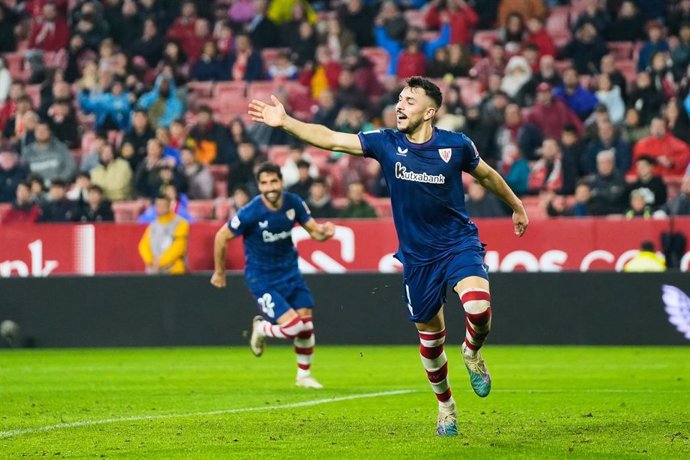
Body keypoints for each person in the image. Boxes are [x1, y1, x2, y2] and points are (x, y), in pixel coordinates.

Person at [248, 76, 529, 437]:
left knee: (478, 309)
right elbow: (332, 138)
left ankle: (472, 352)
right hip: (417, 259)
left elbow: (488, 175)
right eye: (399, 98)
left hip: (458, 243)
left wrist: (517, 205)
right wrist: (286, 122)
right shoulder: (385, 143)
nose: (399, 105)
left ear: (430, 112)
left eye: (409, 101)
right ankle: (446, 406)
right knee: (431, 341)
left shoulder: (456, 145)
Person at [210, 162, 335, 390]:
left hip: (290, 273)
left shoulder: (293, 202)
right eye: (264, 183)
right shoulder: (250, 212)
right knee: (295, 327)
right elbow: (221, 237)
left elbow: (315, 233)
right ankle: (261, 329)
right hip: (262, 278)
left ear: (281, 182)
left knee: (306, 325)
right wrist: (220, 271)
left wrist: (325, 232)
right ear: (259, 186)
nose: (270, 187)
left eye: (274, 182)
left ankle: (303, 376)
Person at [138, 193, 190, 275]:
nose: (160, 208)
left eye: (163, 205)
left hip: (174, 272)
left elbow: (179, 247)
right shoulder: (152, 225)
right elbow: (143, 246)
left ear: (169, 205)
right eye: (158, 205)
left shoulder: (181, 223)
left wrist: (161, 262)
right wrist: (151, 261)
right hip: (154, 271)